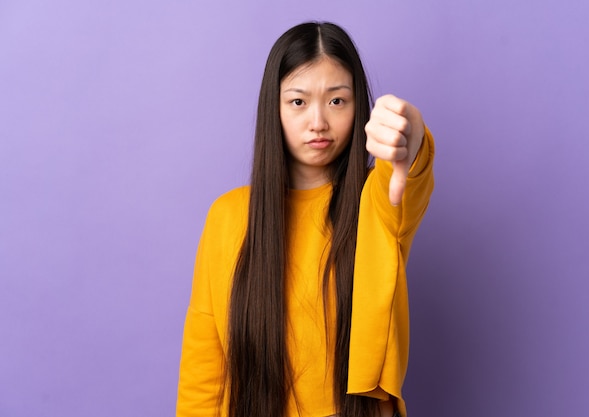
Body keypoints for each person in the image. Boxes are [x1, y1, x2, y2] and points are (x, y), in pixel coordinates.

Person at [176, 21, 435, 417]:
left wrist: (410, 132)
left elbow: (409, 172)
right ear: (273, 107)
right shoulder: (228, 217)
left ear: (358, 106)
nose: (318, 122)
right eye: (298, 102)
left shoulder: (377, 199)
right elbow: (203, 372)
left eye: (337, 101)